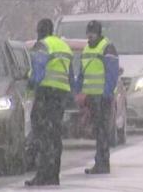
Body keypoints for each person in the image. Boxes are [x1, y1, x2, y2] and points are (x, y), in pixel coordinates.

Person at [25, 18, 74, 187]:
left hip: (46, 93)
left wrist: (31, 83)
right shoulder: (64, 46)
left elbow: (38, 70)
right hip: (60, 95)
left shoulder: (43, 45)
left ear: (40, 31)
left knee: (41, 134)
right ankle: (54, 175)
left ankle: (42, 174)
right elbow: (70, 75)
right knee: (55, 135)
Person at [77, 20, 120, 175]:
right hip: (91, 98)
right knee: (98, 131)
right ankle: (100, 163)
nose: (90, 36)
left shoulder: (107, 48)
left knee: (103, 132)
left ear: (99, 33)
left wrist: (107, 92)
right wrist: (78, 91)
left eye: (92, 33)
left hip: (103, 97)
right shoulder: (87, 49)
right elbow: (82, 73)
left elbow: (112, 72)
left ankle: (102, 164)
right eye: (88, 33)